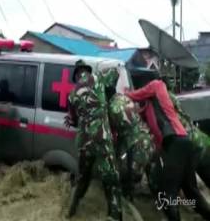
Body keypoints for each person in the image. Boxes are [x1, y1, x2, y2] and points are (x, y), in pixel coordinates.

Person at [125, 79, 210, 221]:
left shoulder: (157, 85)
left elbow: (138, 94)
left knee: (166, 194)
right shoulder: (147, 111)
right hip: (180, 144)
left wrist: (126, 94)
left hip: (176, 141)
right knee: (191, 192)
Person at [65, 60, 122, 221]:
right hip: (102, 138)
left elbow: (74, 120)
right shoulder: (99, 78)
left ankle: (71, 208)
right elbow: (116, 72)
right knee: (111, 178)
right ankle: (114, 215)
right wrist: (108, 95)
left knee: (83, 177)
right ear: (87, 71)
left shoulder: (72, 94)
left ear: (76, 75)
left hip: (84, 142)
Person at [106, 80, 154, 201]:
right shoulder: (123, 98)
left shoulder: (112, 108)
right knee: (149, 173)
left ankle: (129, 200)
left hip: (135, 144)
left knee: (129, 175)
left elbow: (112, 131)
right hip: (147, 137)